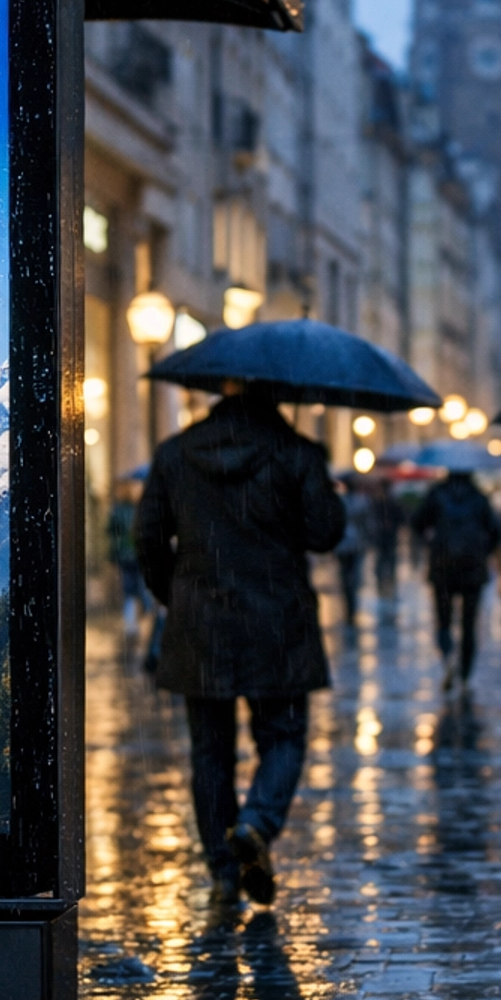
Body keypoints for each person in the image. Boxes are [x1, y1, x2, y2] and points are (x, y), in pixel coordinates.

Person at [136, 381, 345, 905]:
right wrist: (312, 472)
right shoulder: (293, 451)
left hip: (202, 620)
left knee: (210, 752)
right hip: (278, 621)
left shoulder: (176, 452)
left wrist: (177, 595)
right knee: (284, 735)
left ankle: (224, 870)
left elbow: (147, 538)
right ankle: (255, 823)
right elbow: (327, 532)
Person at [417, 466, 499, 691]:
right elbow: (495, 530)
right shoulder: (479, 498)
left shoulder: (436, 494)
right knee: (469, 624)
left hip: (443, 567)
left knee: (443, 621)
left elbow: (417, 522)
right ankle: (464, 673)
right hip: (472, 569)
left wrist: (431, 542)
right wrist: (483, 551)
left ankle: (448, 659)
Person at [107, 476, 147, 638]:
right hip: (136, 554)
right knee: (138, 587)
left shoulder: (119, 510)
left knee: (130, 588)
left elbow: (111, 530)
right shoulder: (137, 509)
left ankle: (132, 622)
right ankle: (137, 619)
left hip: (126, 555)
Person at [334, 475, 376, 628]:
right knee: (351, 576)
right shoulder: (359, 501)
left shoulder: (345, 502)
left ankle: (350, 606)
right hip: (349, 544)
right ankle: (350, 606)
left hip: (349, 544)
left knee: (349, 576)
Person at [370, 477, 405, 606]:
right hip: (384, 537)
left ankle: (388, 583)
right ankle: (384, 583)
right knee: (384, 560)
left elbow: (401, 519)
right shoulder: (380, 502)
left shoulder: (389, 503)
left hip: (388, 537)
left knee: (387, 560)